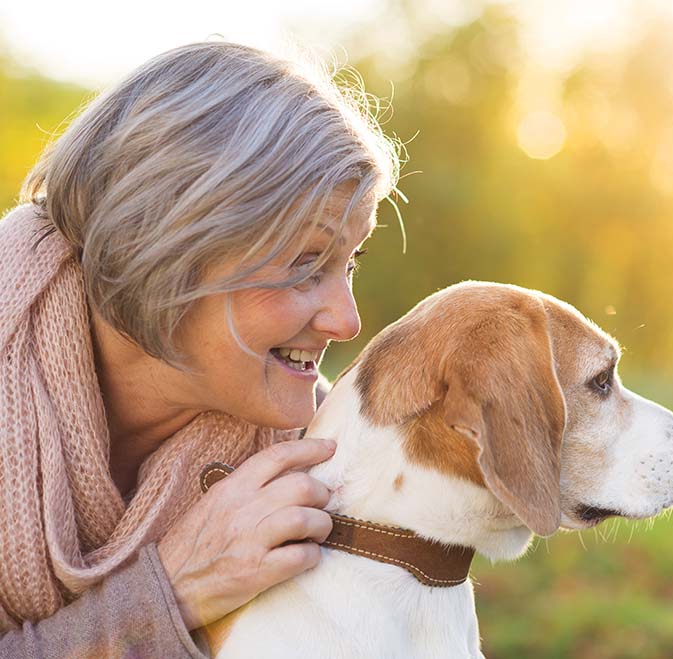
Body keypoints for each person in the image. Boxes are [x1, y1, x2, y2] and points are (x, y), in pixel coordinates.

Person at [0, 40, 400, 657]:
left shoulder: (319, 457)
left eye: (351, 261)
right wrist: (168, 596)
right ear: (164, 251)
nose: (347, 321)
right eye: (304, 264)